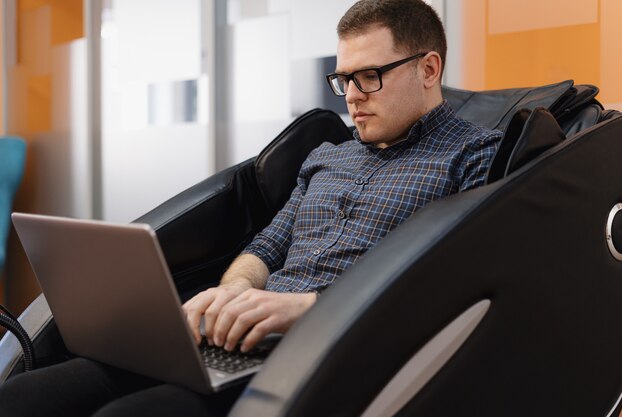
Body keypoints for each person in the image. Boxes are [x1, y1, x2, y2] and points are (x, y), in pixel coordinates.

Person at [0, 1, 501, 416]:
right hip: (238, 337)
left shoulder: (474, 156)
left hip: (325, 347)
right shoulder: (329, 154)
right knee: (23, 397)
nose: (350, 96)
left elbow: (447, 286)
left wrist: (301, 308)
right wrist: (233, 292)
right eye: (342, 79)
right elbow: (268, 244)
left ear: (429, 68)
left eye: (368, 77)